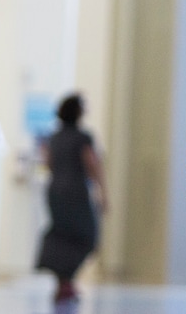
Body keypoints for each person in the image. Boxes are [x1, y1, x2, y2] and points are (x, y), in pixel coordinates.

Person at [36, 94, 108, 303]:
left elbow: (48, 164)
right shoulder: (83, 137)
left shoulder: (54, 137)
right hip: (76, 192)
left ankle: (64, 283)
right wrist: (104, 193)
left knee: (62, 236)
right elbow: (92, 166)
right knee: (88, 236)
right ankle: (67, 282)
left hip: (55, 192)